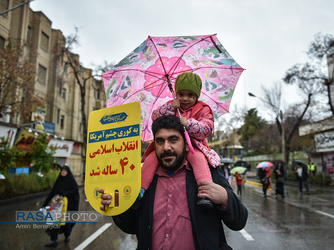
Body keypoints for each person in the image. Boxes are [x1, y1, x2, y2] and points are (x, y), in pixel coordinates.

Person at [99, 115, 248, 249]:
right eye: (160, 141)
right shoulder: (142, 181)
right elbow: (132, 227)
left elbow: (239, 221)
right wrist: (118, 206)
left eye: (173, 139)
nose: (166, 147)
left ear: (185, 141)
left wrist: (225, 198)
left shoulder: (208, 173)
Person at [141, 72, 221, 208]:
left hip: (193, 145)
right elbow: (156, 117)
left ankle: (205, 193)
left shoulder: (203, 109)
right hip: (173, 144)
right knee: (151, 158)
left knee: (199, 159)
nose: (185, 98)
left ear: (197, 96)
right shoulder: (171, 105)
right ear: (176, 94)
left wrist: (189, 124)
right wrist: (170, 107)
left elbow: (207, 129)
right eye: (181, 94)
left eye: (190, 95)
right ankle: (140, 189)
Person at [43, 165, 80, 247]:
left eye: (64, 171)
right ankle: (53, 240)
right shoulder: (58, 181)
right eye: (62, 171)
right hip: (57, 205)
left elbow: (75, 190)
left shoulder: (71, 180)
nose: (63, 172)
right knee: (54, 221)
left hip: (67, 206)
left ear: (67, 172)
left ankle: (67, 235)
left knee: (67, 222)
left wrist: (65, 194)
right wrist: (45, 203)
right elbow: (52, 192)